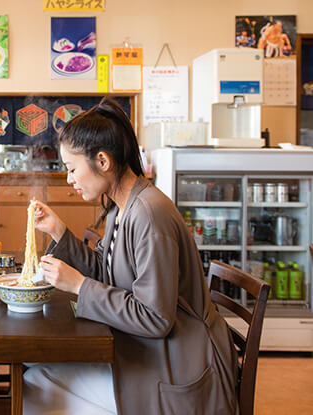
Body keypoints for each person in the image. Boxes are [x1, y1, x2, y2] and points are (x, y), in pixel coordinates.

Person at [23, 97, 237, 415]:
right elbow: (108, 271)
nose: (69, 179)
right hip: (154, 350)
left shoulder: (149, 213)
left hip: (180, 367)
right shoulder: (121, 206)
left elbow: (156, 318)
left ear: (103, 161)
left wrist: (80, 286)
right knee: (34, 363)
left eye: (72, 168)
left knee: (34, 384)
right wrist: (57, 230)